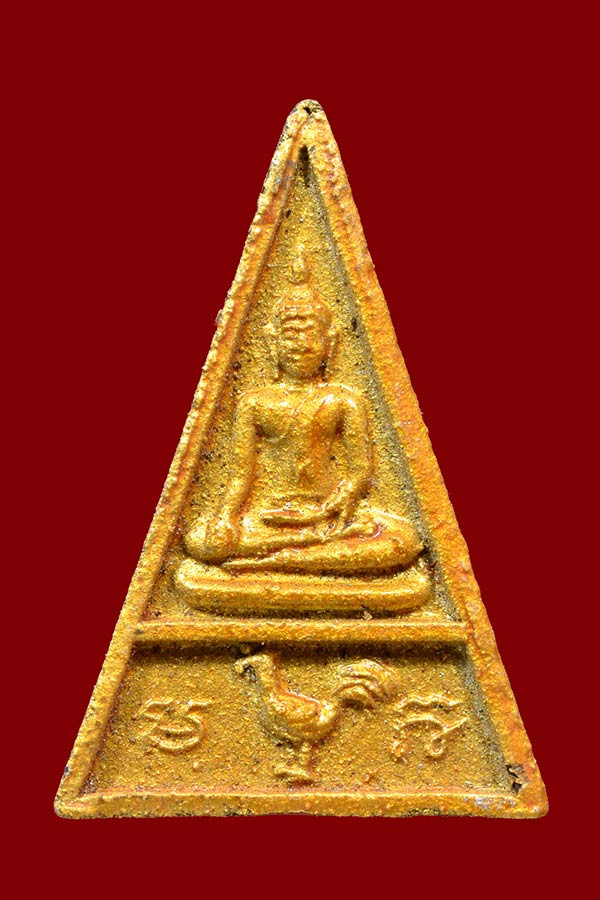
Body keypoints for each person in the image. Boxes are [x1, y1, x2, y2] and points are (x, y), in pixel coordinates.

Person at [183, 286, 423, 574]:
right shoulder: (255, 403)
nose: (301, 345)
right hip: (269, 518)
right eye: (291, 335)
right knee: (199, 541)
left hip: (329, 516)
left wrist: (343, 497)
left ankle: (280, 560)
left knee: (403, 541)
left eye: (310, 334)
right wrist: (226, 517)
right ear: (273, 343)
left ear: (329, 343)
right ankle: (300, 549)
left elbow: (360, 470)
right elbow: (239, 475)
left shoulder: (343, 400)